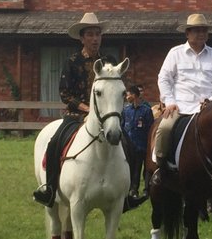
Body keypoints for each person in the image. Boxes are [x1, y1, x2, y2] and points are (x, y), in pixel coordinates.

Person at [32, 13, 144, 210]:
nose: (95, 39)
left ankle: (130, 192)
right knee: (55, 142)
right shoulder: (72, 62)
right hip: (76, 116)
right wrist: (88, 109)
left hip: (107, 117)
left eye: (98, 34)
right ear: (82, 38)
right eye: (90, 35)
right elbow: (65, 94)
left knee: (131, 147)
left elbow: (117, 87)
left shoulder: (109, 61)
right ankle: (49, 188)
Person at [155, 13, 212, 174]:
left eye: (204, 30)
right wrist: (169, 102)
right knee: (164, 129)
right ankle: (160, 168)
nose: (201, 34)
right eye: (196, 30)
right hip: (179, 107)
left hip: (209, 108)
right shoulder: (175, 53)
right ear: (187, 33)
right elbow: (164, 79)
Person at [122, 85, 154, 197]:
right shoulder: (126, 110)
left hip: (141, 145)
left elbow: (150, 128)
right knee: (130, 168)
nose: (127, 97)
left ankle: (137, 190)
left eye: (128, 94)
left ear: (134, 95)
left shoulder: (146, 111)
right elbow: (122, 127)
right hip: (128, 145)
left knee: (138, 168)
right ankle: (130, 189)